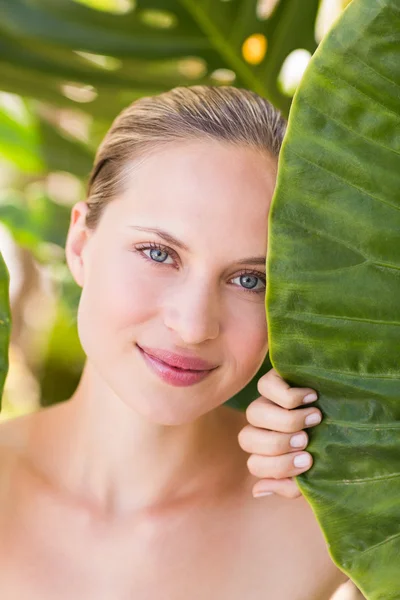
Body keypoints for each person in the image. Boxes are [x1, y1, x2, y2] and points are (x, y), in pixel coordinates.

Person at [0, 85, 349, 599]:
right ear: (81, 245)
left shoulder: (328, 528)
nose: (192, 325)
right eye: (158, 253)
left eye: (250, 280)